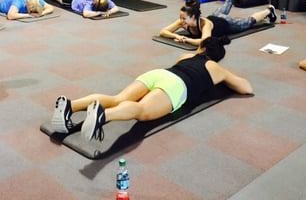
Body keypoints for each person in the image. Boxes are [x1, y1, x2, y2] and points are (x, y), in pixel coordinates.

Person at [51, 36, 253, 141]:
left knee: (118, 97)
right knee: (142, 112)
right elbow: (246, 88)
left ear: (202, 48)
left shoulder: (186, 56)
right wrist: (225, 76)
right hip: (176, 85)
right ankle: (104, 116)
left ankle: (70, 105)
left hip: (159, 73)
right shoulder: (216, 67)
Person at [159, 0, 276, 46]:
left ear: (193, 17)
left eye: (184, 18)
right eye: (181, 18)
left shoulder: (205, 25)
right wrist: (177, 36)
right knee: (228, 1)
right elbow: (163, 32)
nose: (181, 21)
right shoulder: (184, 21)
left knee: (249, 22)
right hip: (215, 16)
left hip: (226, 24)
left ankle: (269, 10)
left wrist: (185, 39)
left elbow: (204, 41)